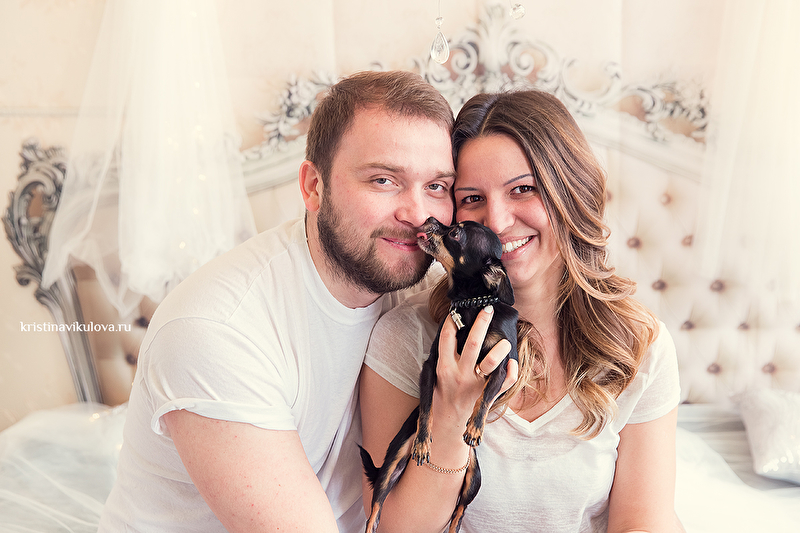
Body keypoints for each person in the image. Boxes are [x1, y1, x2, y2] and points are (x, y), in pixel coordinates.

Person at [98, 69, 457, 533]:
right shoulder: (216, 329)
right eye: (384, 180)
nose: (418, 215)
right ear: (313, 187)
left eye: (437, 187)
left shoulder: (424, 293)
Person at [360, 90, 685, 532]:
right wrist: (452, 413)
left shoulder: (638, 347)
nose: (496, 222)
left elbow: (641, 521)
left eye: (523, 189)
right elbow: (391, 528)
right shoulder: (407, 336)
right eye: (471, 198)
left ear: (570, 193)